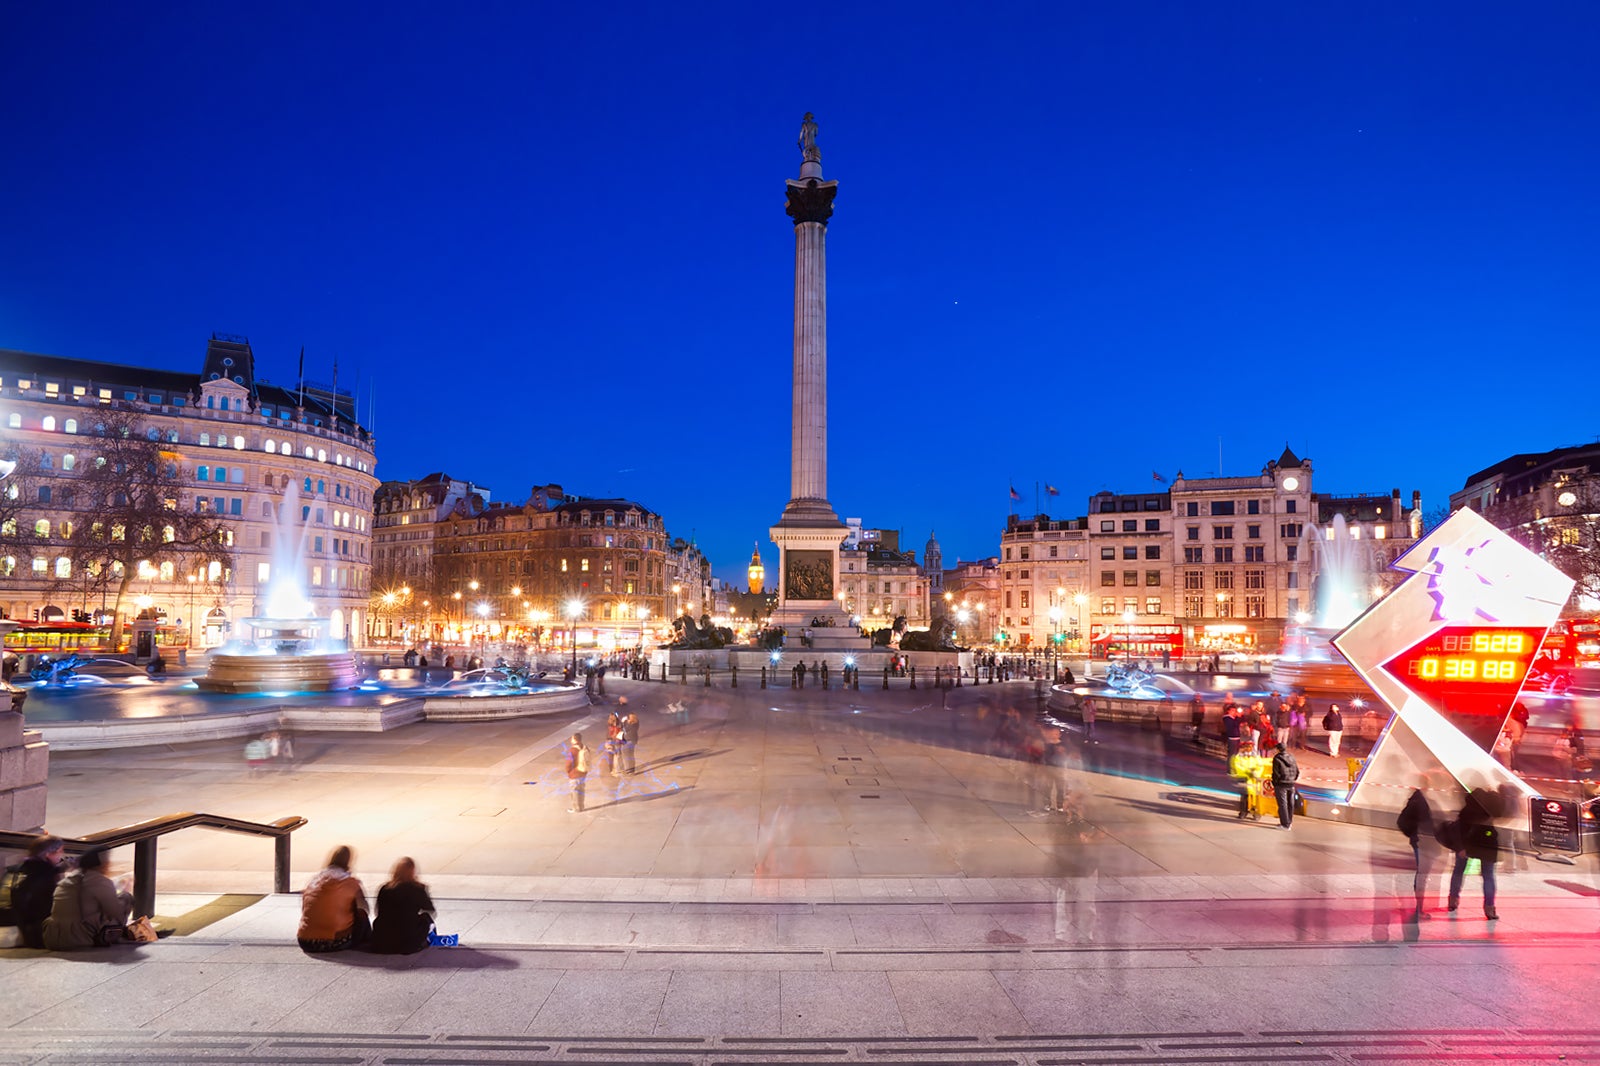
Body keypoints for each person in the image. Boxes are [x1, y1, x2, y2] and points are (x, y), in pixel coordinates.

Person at [42, 847, 133, 950]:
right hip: (82, 938)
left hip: (54, 937)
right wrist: (126, 891)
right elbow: (115, 913)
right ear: (102, 864)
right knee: (125, 898)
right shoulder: (100, 881)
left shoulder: (66, 881)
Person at [296, 845, 370, 953]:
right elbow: (364, 910)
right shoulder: (351, 883)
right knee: (361, 912)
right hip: (333, 942)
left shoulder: (314, 881)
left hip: (305, 941)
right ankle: (366, 942)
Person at [5, 834, 67, 948]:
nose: (62, 855)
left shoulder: (20, 869)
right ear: (48, 854)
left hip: (24, 931)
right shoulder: (46, 875)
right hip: (41, 935)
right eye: (60, 851)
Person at [1447, 789, 1499, 920]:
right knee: (1488, 876)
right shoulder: (1488, 813)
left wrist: (1460, 848)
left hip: (1466, 847)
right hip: (1487, 848)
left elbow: (1458, 831)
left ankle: (1453, 900)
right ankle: (1490, 908)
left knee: (1458, 871)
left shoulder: (1466, 812)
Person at [369, 857, 435, 955]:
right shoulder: (417, 889)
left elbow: (377, 911)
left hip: (382, 942)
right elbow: (430, 909)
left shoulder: (385, 888)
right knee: (426, 918)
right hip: (407, 943)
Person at [1397, 787, 1436, 922]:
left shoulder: (1418, 800)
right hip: (1423, 843)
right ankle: (1418, 909)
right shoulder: (1420, 802)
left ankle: (1415, 907)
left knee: (1420, 876)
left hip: (1420, 842)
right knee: (1421, 877)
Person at [1270, 741, 1299, 830]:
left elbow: (1276, 773)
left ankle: (1284, 824)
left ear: (1278, 749)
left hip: (1281, 784)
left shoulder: (1277, 758)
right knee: (1290, 804)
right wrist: (1293, 779)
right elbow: (1297, 771)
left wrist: (1275, 783)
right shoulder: (1292, 757)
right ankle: (1289, 822)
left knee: (1283, 804)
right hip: (1291, 783)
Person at [565, 732, 590, 813]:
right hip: (583, 772)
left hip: (575, 774)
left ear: (575, 740)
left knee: (574, 792)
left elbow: (569, 763)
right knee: (581, 790)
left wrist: (568, 771)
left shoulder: (572, 750)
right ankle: (581, 806)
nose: (570, 740)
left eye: (571, 738)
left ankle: (576, 808)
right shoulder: (585, 748)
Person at [621, 703, 640, 774]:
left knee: (627, 755)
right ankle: (630, 769)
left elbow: (625, 730)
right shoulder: (634, 723)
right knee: (630, 755)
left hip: (630, 740)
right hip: (630, 740)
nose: (628, 718)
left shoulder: (633, 724)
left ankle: (629, 770)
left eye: (629, 717)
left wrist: (624, 723)